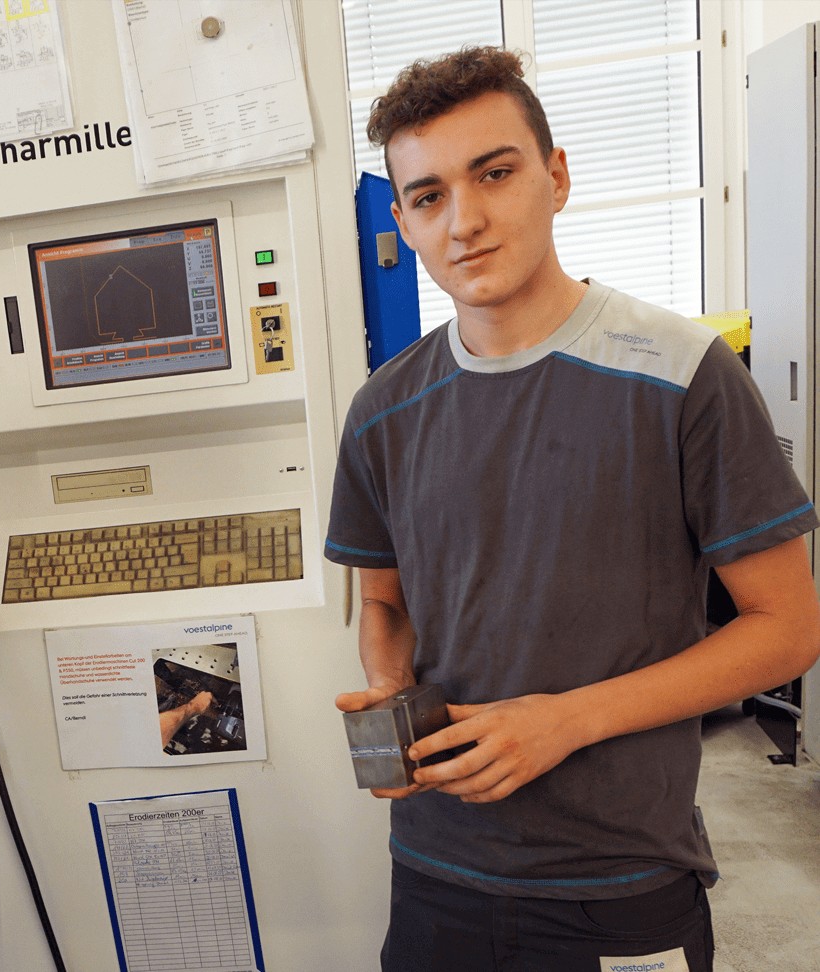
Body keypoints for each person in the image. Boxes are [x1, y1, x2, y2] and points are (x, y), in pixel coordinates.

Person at [324, 46, 820, 972]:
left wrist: (566, 719)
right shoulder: (383, 410)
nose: (464, 221)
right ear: (402, 220)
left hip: (618, 884)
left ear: (555, 177)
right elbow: (385, 602)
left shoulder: (683, 377)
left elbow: (787, 631)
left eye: (495, 173)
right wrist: (391, 695)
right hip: (436, 877)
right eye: (429, 196)